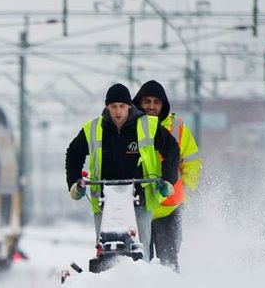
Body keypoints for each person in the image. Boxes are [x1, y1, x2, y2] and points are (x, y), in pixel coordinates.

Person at [66, 83, 180, 256]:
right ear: (107, 107)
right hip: (104, 203)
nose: (118, 112)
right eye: (113, 107)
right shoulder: (93, 128)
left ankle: (143, 274)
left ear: (129, 106)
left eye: (121, 106)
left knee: (141, 250)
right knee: (104, 249)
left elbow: (172, 149)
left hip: (140, 199)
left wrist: (168, 180)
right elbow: (73, 154)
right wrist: (74, 183)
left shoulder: (148, 126)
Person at [133, 80, 203, 271]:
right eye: (147, 101)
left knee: (169, 263)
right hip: (138, 207)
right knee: (139, 264)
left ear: (163, 104)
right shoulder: (130, 126)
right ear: (139, 103)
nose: (152, 106)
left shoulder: (177, 127)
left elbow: (192, 163)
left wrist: (186, 194)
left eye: (156, 102)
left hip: (169, 208)